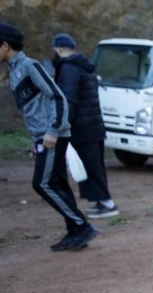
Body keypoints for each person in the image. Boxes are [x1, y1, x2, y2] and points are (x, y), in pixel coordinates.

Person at [1, 23, 98, 251]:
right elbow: (31, 109)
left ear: (5, 45)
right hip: (42, 138)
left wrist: (53, 130)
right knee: (58, 183)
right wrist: (34, 141)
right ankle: (75, 231)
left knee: (42, 184)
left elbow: (57, 97)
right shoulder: (15, 71)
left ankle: (81, 225)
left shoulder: (29, 66)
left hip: (53, 135)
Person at [52, 33, 119, 218]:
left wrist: (63, 124)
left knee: (91, 167)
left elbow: (70, 100)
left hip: (82, 128)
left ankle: (108, 204)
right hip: (93, 125)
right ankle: (100, 202)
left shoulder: (69, 69)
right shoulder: (85, 66)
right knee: (95, 165)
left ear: (58, 49)